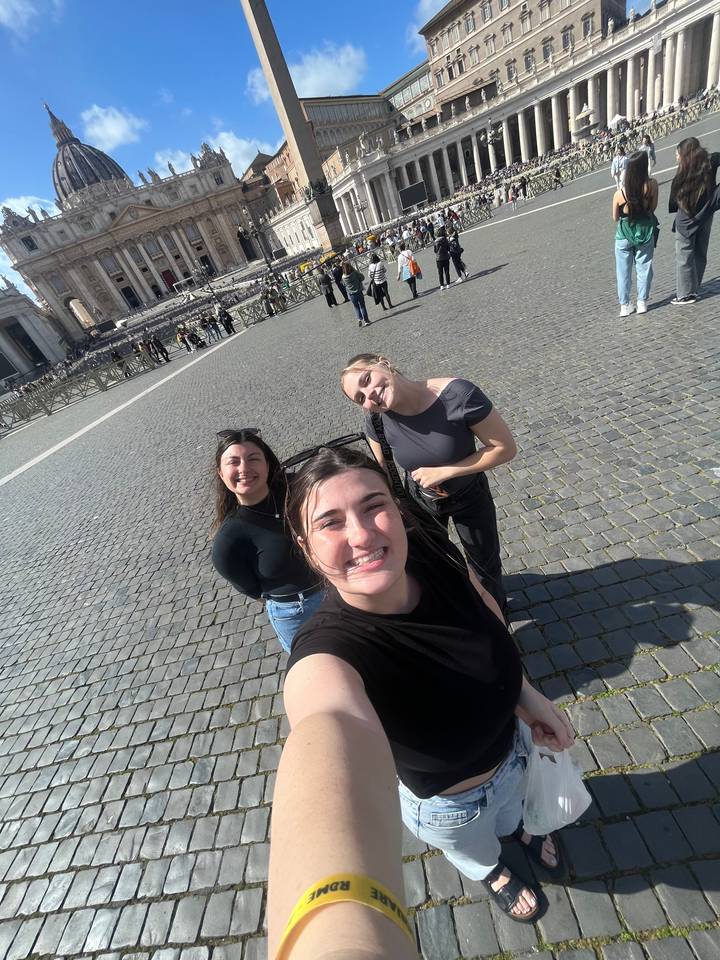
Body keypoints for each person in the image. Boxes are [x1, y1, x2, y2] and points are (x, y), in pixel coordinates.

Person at [271, 446, 574, 956]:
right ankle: (492, 872)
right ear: (305, 546)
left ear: (399, 508)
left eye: (374, 506)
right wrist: (336, 936)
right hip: (451, 806)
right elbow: (325, 727)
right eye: (331, 522)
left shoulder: (427, 549)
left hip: (515, 751)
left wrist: (525, 693)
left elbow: (483, 606)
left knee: (513, 816)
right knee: (476, 849)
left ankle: (519, 831)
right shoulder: (328, 650)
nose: (363, 534)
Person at [340, 353, 517, 612]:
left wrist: (448, 470)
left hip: (469, 494)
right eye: (360, 398)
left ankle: (494, 617)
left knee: (484, 562)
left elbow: (505, 448)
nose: (370, 395)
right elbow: (382, 471)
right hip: (420, 502)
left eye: (367, 380)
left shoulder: (459, 395)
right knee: (429, 562)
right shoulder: (376, 420)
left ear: (383, 363)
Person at [211, 429, 324, 654]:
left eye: (253, 459)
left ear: (268, 465)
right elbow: (253, 590)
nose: (244, 468)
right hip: (295, 614)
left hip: (336, 589)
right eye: (233, 462)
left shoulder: (297, 489)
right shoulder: (228, 540)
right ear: (221, 474)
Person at [668, 136, 720, 305]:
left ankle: (684, 294)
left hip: (687, 219)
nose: (676, 157)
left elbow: (674, 202)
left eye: (678, 154)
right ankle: (693, 288)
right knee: (699, 252)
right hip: (706, 214)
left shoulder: (682, 175)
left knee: (684, 255)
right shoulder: (710, 161)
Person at [612, 149, 658, 317]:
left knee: (622, 271)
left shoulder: (619, 194)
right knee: (644, 267)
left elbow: (615, 217)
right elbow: (652, 208)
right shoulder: (652, 185)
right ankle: (642, 302)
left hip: (624, 233)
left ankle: (625, 306)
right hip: (644, 230)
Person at [342, 261, 371, 327]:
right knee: (362, 306)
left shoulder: (343, 277)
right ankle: (366, 321)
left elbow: (344, 284)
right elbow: (362, 278)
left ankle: (359, 319)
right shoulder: (354, 273)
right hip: (359, 292)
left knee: (356, 307)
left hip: (351, 294)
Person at [434, 226, 451, 290]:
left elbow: (435, 251)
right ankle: (448, 284)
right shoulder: (445, 239)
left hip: (439, 259)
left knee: (440, 273)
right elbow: (448, 248)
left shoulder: (435, 241)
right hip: (446, 257)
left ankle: (441, 285)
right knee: (447, 271)